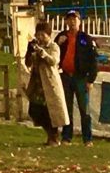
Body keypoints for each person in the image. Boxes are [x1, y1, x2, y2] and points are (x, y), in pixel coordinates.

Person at [24, 19, 68, 146]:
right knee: (34, 110)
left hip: (49, 84)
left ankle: (54, 137)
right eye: (38, 34)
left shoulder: (54, 47)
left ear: (48, 35)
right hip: (37, 84)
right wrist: (29, 52)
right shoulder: (36, 46)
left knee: (50, 111)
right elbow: (28, 64)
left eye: (43, 35)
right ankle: (50, 133)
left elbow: (54, 61)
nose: (40, 37)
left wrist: (42, 53)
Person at [59, 15, 99, 145]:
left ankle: (87, 139)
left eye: (74, 19)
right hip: (65, 76)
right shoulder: (62, 37)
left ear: (79, 22)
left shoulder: (85, 38)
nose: (72, 22)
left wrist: (91, 80)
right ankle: (66, 137)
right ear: (66, 21)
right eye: (69, 19)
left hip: (81, 78)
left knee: (84, 109)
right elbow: (53, 52)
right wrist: (59, 43)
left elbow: (93, 60)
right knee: (66, 108)